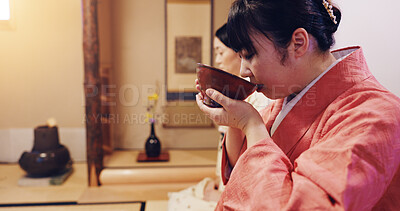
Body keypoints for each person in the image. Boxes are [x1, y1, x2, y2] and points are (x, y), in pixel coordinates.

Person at [195, 0, 400, 210]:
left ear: (298, 43)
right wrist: (235, 121)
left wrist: (252, 125)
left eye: (249, 55)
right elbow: (242, 174)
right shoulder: (288, 94)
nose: (243, 71)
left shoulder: (376, 114)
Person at [168, 23, 270, 211]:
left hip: (250, 189)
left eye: (220, 52)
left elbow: (250, 164)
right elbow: (231, 157)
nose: (217, 59)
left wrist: (225, 190)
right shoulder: (235, 92)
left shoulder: (262, 96)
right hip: (229, 179)